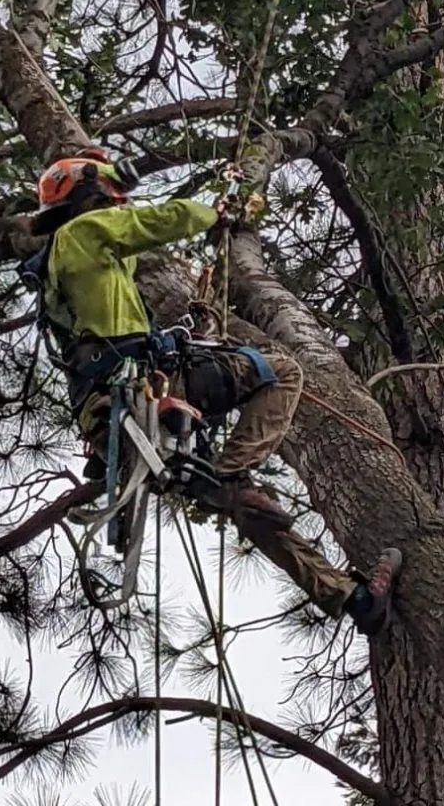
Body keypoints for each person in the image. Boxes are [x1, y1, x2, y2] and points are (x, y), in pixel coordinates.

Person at [22, 148, 401, 635]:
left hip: (118, 421)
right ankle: (234, 468)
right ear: (95, 197)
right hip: (138, 394)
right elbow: (163, 221)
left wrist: (173, 337)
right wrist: (217, 212)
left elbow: (117, 331)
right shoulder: (83, 232)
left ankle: (353, 600)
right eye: (112, 201)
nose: (119, 211)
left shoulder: (73, 274)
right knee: (281, 371)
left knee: (242, 502)